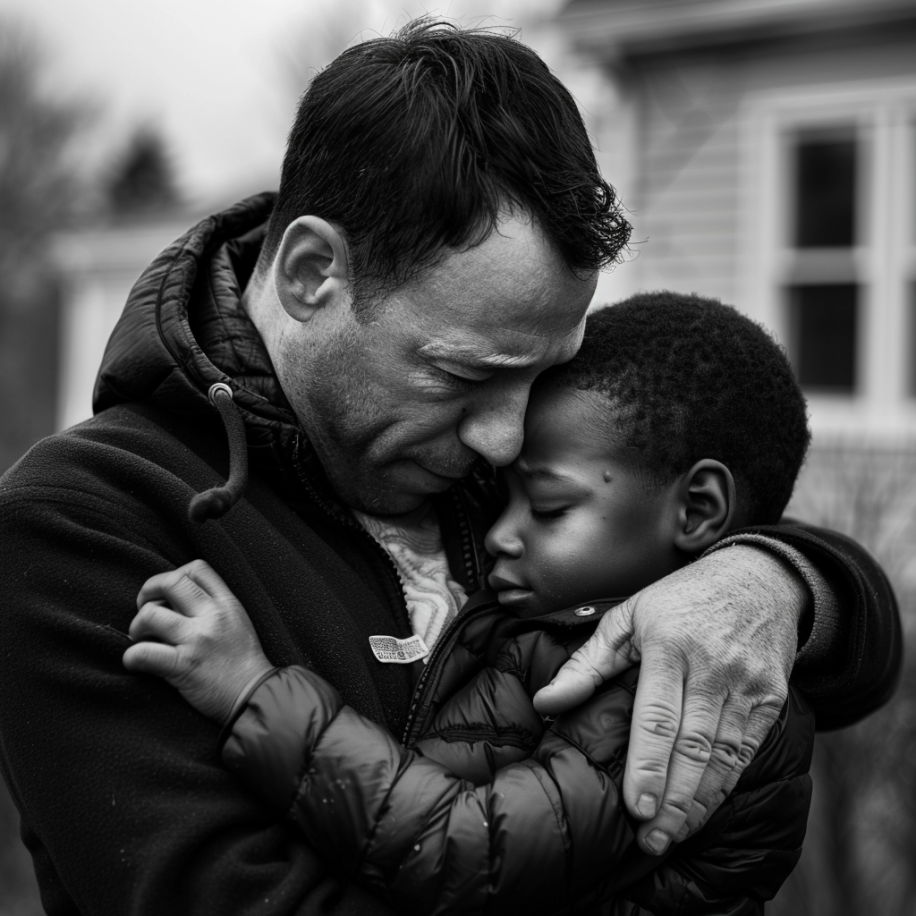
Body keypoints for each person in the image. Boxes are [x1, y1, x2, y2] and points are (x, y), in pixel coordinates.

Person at [0, 19, 900, 916]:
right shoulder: (82, 524)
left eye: (543, 374)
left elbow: (861, 657)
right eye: (467, 374)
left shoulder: (485, 459)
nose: (507, 443)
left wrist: (768, 583)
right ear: (316, 274)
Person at [126, 293, 818, 915]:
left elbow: (472, 856)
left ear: (697, 509)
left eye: (548, 507)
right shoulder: (557, 629)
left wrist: (255, 695)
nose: (500, 535)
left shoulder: (666, 691)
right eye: (503, 495)